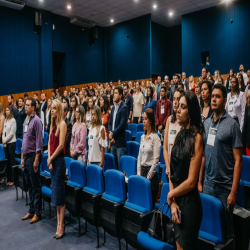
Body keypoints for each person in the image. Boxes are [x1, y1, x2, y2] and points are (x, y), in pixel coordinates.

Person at [201, 84, 242, 247]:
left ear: (225, 101)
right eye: (212, 96)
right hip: (207, 185)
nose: (213, 99)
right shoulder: (206, 123)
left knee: (226, 231)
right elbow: (203, 155)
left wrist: (233, 192)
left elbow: (239, 160)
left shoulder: (232, 125)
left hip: (224, 188)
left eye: (217, 96)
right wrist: (199, 182)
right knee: (209, 228)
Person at [167, 91, 203, 250]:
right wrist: (173, 202)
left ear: (191, 113)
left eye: (183, 107)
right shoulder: (178, 136)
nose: (178, 110)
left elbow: (191, 182)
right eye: (178, 106)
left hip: (189, 205)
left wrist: (170, 195)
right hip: (177, 202)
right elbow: (172, 174)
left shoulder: (197, 138)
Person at [21, 97, 43, 224]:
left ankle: (37, 213)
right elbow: (24, 140)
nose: (25, 107)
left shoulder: (37, 121)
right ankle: (31, 209)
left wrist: (36, 159)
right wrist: (22, 157)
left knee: (35, 185)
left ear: (33, 108)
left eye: (28, 105)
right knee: (29, 184)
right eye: (25, 105)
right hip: (26, 156)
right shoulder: (26, 120)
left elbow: (39, 142)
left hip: (33, 156)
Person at [47, 99, 67, 239]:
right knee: (55, 194)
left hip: (59, 162)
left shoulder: (62, 124)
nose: (52, 110)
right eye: (51, 108)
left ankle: (61, 224)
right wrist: (48, 158)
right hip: (53, 161)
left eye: (54, 108)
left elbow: (60, 146)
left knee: (60, 195)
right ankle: (58, 223)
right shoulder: (53, 125)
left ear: (59, 110)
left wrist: (51, 159)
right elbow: (49, 142)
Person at [137, 108, 161, 205]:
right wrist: (139, 174)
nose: (143, 121)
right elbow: (139, 157)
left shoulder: (155, 138)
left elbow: (155, 162)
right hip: (142, 172)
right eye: (143, 119)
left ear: (150, 120)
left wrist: (147, 179)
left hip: (150, 177)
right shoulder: (142, 137)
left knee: (148, 205)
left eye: (145, 119)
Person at [163, 89, 182, 177]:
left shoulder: (185, 122)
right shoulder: (169, 120)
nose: (175, 102)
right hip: (170, 168)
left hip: (180, 169)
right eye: (174, 99)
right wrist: (168, 168)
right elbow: (165, 148)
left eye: (178, 99)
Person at [108, 86, 127, 168]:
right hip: (112, 141)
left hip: (119, 142)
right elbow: (109, 123)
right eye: (113, 93)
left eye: (115, 93)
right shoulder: (113, 107)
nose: (114, 95)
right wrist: (110, 134)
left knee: (120, 167)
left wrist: (113, 134)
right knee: (113, 166)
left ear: (120, 95)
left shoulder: (124, 107)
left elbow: (122, 125)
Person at [2, 105, 16, 186]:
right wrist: (3, 140)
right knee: (7, 162)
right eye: (6, 110)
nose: (6, 111)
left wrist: (5, 140)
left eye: (8, 110)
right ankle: (9, 179)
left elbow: (12, 133)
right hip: (6, 143)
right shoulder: (6, 120)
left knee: (12, 162)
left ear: (10, 111)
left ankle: (14, 179)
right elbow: (4, 131)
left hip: (11, 143)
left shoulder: (13, 120)